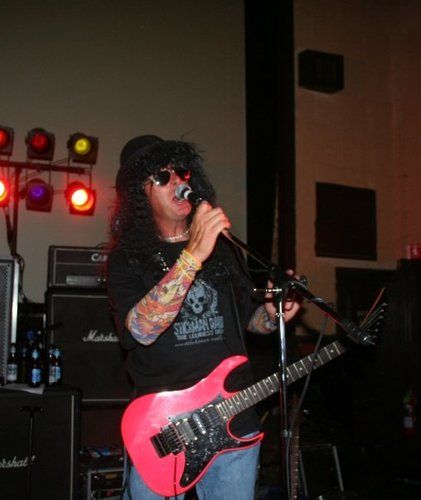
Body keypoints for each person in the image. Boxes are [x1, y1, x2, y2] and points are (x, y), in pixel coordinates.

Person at [107, 135, 300, 500]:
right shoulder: (127, 259)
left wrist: (272, 314)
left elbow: (249, 320)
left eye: (181, 172)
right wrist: (193, 255)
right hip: (163, 427)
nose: (178, 182)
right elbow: (140, 330)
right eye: (161, 177)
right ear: (138, 194)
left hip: (233, 416)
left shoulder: (223, 248)